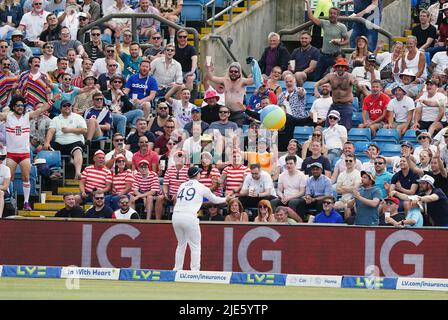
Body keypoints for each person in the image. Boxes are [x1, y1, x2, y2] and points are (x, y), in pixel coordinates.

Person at [172, 166, 230, 271]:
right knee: (195, 245)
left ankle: (176, 269)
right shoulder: (202, 187)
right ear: (197, 175)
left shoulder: (182, 185)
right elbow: (215, 200)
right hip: (189, 216)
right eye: (199, 173)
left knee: (181, 244)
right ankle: (194, 271)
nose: (200, 174)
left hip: (176, 215)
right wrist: (226, 198)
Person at [0, 96, 50, 211]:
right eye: (18, 105)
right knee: (9, 178)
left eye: (22, 105)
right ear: (13, 106)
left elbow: (41, 110)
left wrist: (53, 100)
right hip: (11, 153)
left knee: (26, 177)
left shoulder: (28, 116)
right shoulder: (7, 117)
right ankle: (10, 200)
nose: (20, 107)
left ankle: (26, 203)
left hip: (24, 153)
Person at [305, 0, 349, 79]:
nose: (332, 15)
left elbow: (347, 40)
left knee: (335, 77)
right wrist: (308, 3)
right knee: (317, 76)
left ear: (338, 15)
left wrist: (339, 43)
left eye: (334, 13)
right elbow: (311, 17)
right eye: (331, 13)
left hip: (335, 57)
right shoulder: (324, 23)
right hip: (323, 55)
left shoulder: (342, 27)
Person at [44, 100, 86, 180]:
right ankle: (55, 172)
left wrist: (69, 130)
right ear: (60, 108)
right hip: (60, 142)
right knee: (48, 149)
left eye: (68, 105)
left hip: (75, 141)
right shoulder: (56, 119)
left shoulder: (78, 117)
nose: (67, 107)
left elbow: (84, 130)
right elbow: (51, 131)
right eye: (64, 106)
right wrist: (47, 142)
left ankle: (77, 172)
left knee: (77, 150)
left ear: (71, 107)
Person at [205, 62, 254, 126]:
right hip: (227, 113)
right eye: (231, 71)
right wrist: (208, 68)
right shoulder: (225, 80)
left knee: (236, 133)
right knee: (227, 133)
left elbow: (256, 80)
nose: (233, 73)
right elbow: (211, 78)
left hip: (238, 114)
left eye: (236, 72)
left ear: (239, 73)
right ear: (229, 72)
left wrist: (254, 66)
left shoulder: (243, 81)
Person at [314, 58, 357, 130]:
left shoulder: (350, 76)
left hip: (346, 104)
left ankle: (345, 140)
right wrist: (316, 91)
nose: (340, 68)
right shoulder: (330, 76)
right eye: (338, 66)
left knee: (346, 127)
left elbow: (356, 84)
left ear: (345, 68)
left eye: (342, 66)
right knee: (328, 126)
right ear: (335, 67)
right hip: (335, 104)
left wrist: (355, 85)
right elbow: (318, 83)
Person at [0, 148, 11, 218]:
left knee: (0, 193)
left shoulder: (6, 169)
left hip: (4, 191)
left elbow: (5, 186)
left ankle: (0, 216)